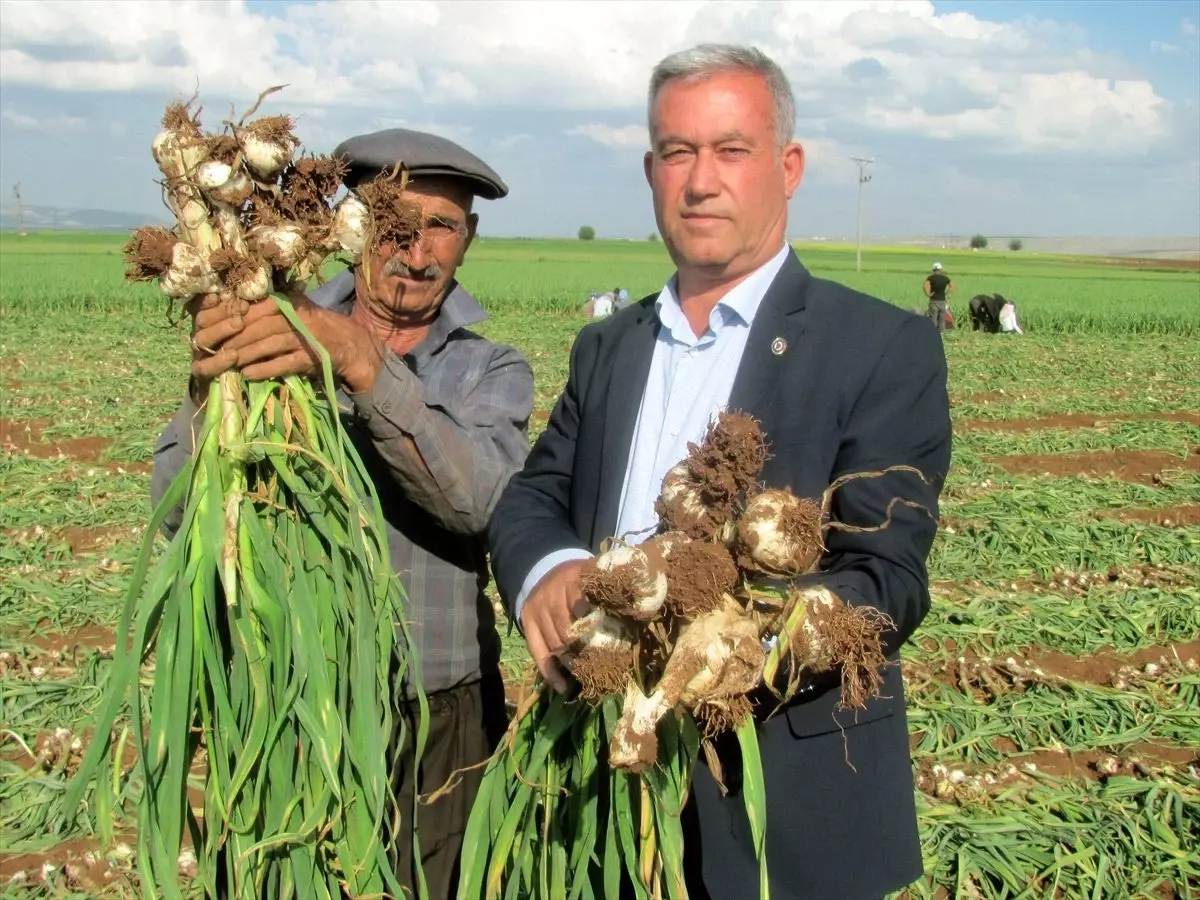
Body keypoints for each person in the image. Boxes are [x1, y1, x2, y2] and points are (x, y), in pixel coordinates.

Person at [487, 43, 951, 900]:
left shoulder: (882, 348)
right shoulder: (608, 346)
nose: (701, 180)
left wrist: (733, 642)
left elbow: (889, 577)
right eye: (678, 152)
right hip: (603, 789)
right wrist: (549, 572)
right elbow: (534, 494)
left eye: (731, 150)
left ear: (789, 165)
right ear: (652, 169)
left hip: (787, 812)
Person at [150, 128, 534, 899]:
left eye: (442, 226)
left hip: (431, 714)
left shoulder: (487, 368)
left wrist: (359, 361)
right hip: (281, 699)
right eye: (393, 222)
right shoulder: (272, 329)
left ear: (469, 240)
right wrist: (211, 390)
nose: (415, 251)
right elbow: (172, 507)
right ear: (346, 223)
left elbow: (479, 502)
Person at [922, 262, 954, 332]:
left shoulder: (931, 278)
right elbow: (952, 286)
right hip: (942, 301)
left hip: (933, 301)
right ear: (940, 269)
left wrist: (928, 294)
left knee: (933, 318)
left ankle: (933, 333)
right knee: (942, 319)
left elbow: (924, 286)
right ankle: (941, 334)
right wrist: (946, 293)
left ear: (933, 269)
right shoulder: (945, 278)